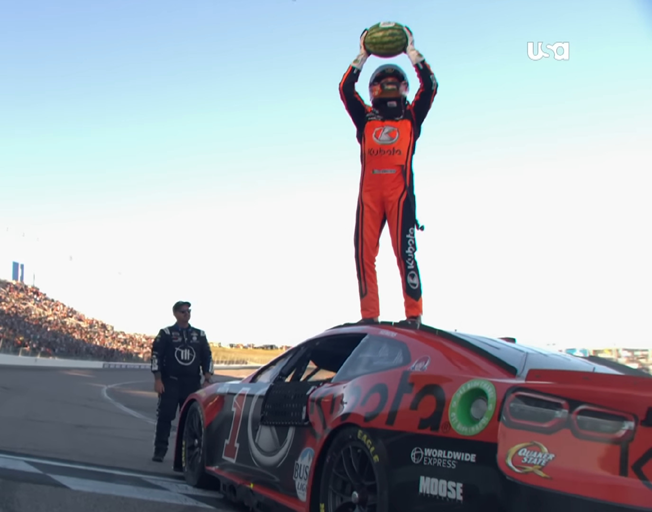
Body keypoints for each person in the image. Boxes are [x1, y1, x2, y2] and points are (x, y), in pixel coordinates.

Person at [339, 26, 438, 327]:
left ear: (404, 88)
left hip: (400, 196)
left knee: (406, 255)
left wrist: (411, 52)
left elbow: (430, 86)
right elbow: (345, 89)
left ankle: (414, 315)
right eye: (385, 84)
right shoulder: (365, 116)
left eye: (396, 84)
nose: (390, 88)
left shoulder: (412, 116)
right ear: (375, 90)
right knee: (363, 255)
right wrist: (363, 55)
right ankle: (369, 316)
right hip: (369, 198)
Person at [150, 300, 213, 462]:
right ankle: (160, 451)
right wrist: (158, 379)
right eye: (183, 311)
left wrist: (207, 379)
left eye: (188, 311)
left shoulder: (199, 335)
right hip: (170, 382)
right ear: (176, 314)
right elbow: (156, 356)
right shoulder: (166, 333)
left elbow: (207, 357)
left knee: (191, 421)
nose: (187, 314)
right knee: (165, 417)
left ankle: (185, 458)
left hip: (192, 383)